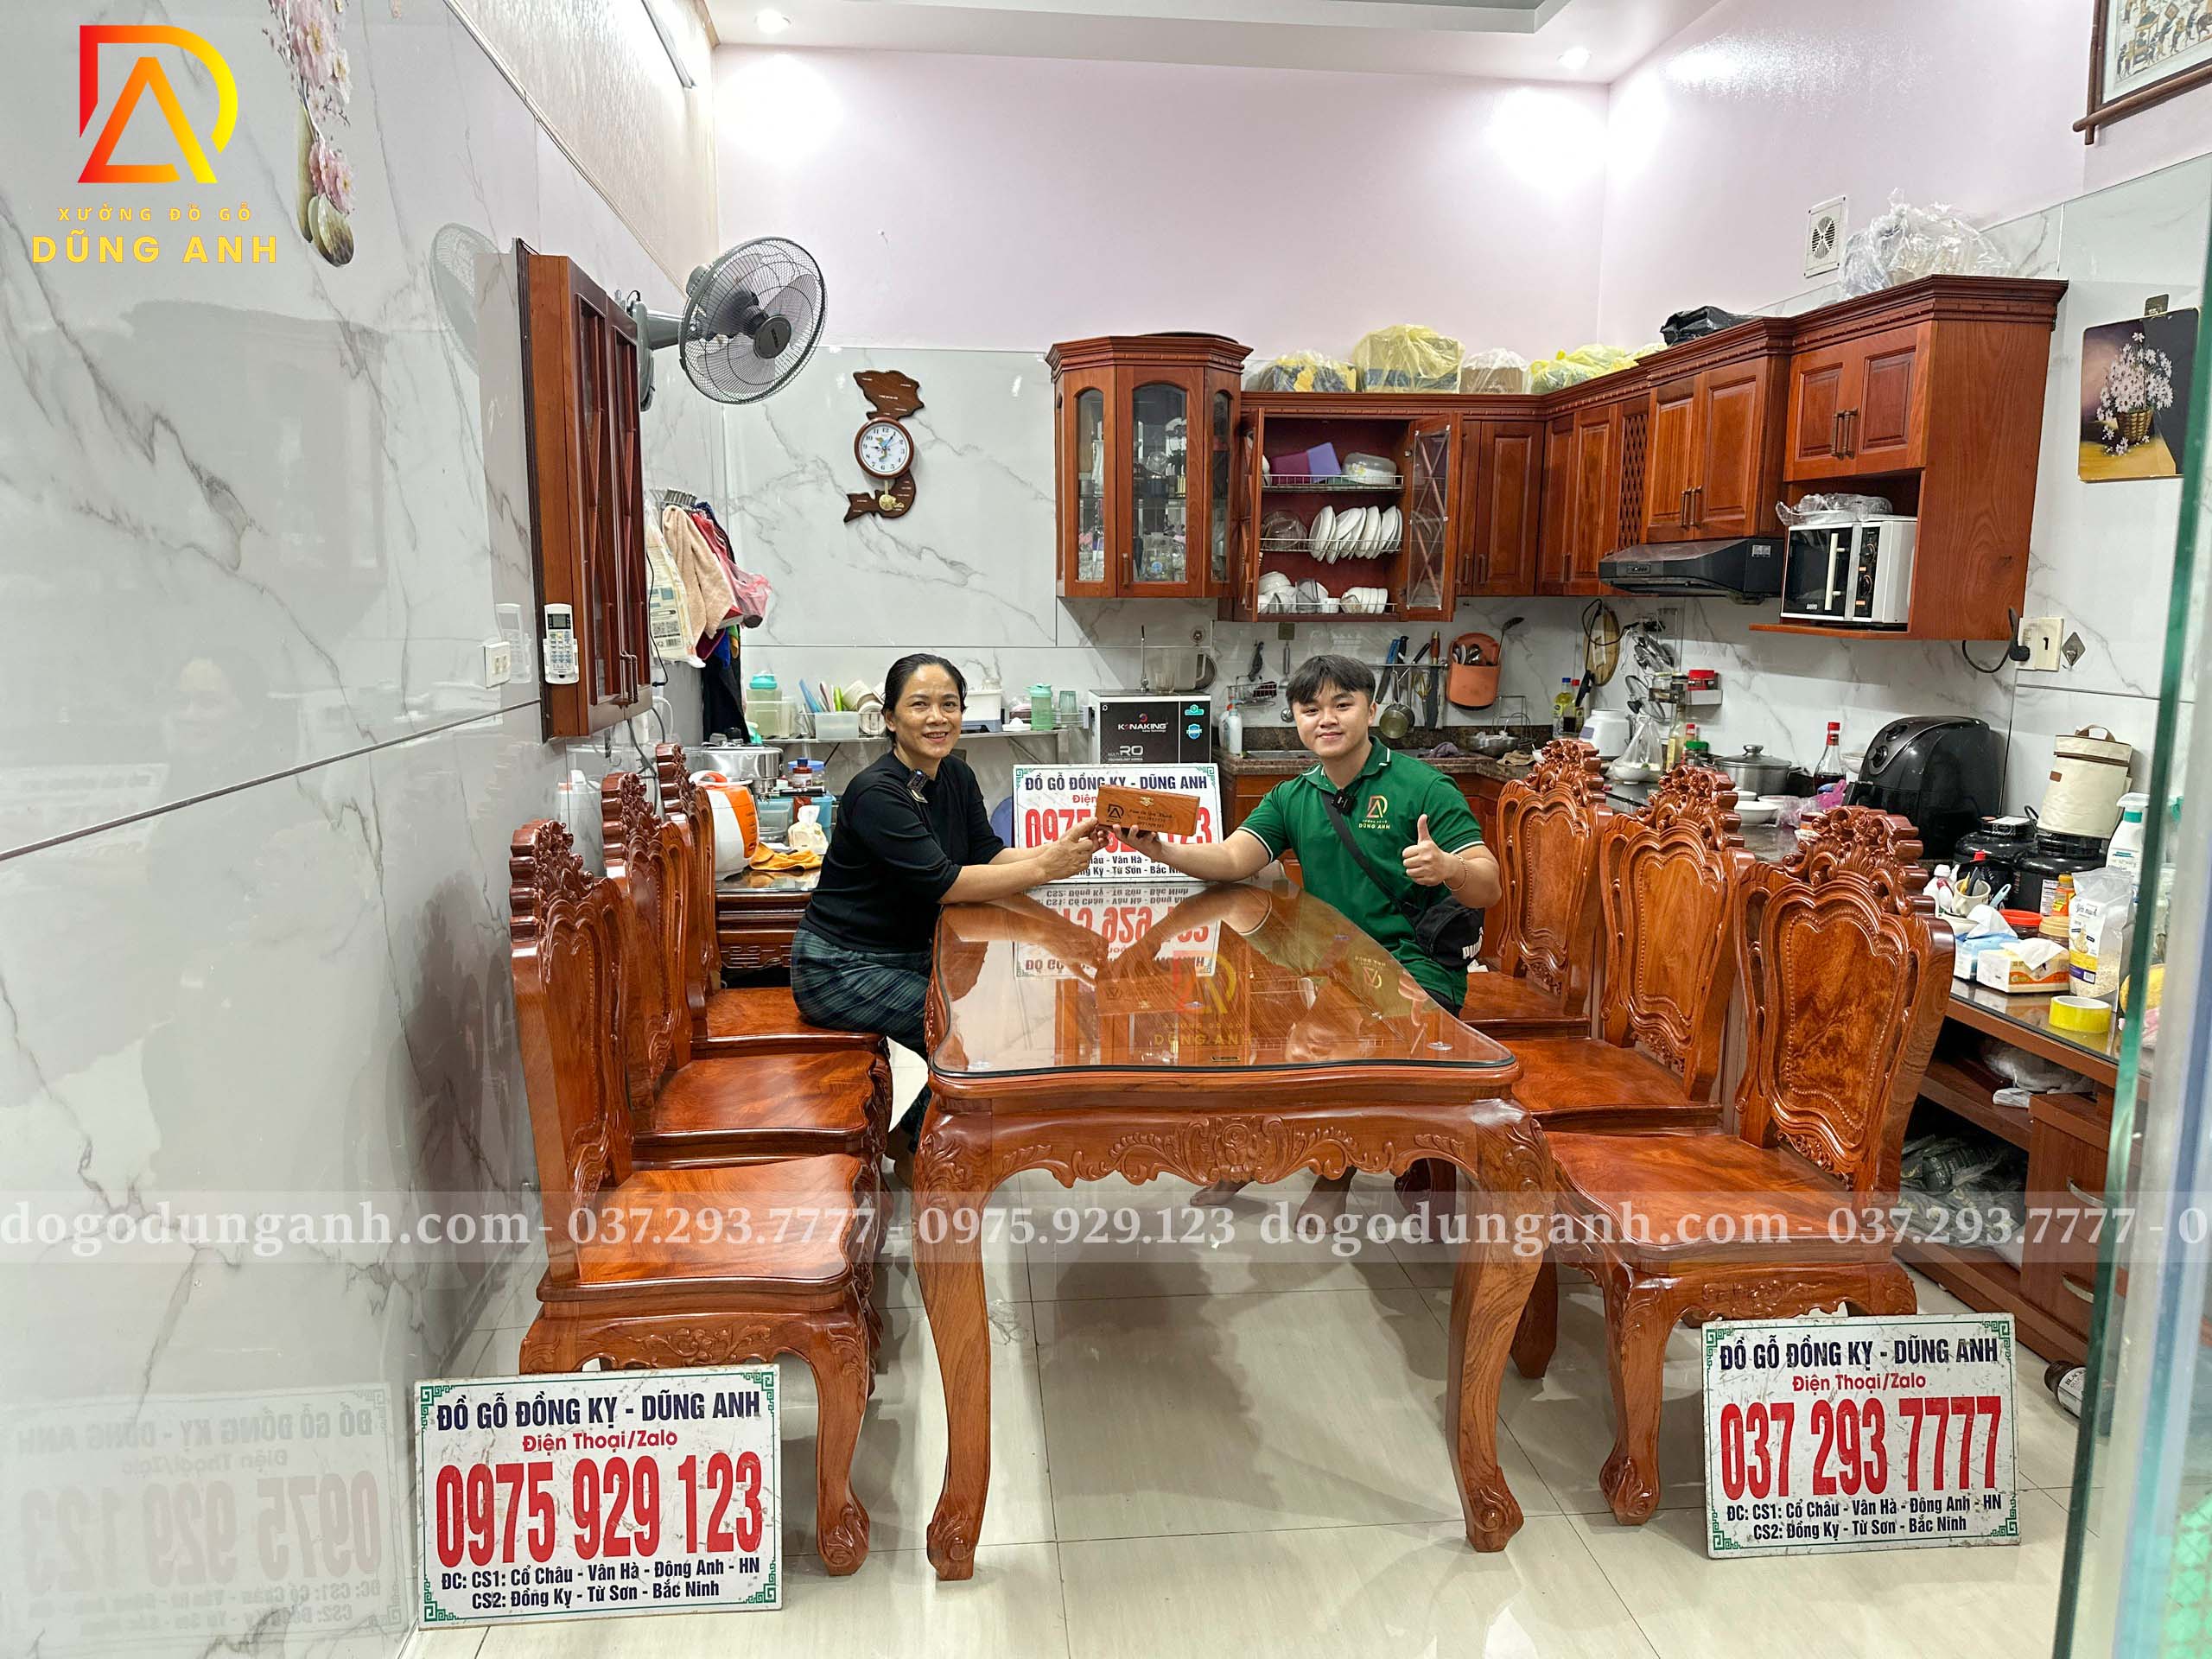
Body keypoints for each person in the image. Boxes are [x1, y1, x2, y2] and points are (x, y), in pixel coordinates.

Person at [1121, 652, 1501, 1217]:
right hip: (1330, 961)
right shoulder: (1292, 797)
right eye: (1310, 709)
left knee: (1326, 1034)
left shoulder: (1425, 788)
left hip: (1413, 964)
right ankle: (1254, 1154)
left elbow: (1488, 886)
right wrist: (1162, 850)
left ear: (1372, 711)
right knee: (1252, 1026)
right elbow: (1233, 858)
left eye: (1342, 705)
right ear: (1296, 719)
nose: (1327, 719)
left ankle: (1332, 1172)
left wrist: (1449, 867)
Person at [791, 653, 1106, 1175]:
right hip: (840, 967)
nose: (937, 718)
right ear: (890, 718)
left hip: (911, 954)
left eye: (949, 704)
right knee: (958, 1033)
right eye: (920, 705)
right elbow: (946, 884)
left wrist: (1056, 851)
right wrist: (1046, 868)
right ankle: (926, 1156)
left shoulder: (956, 774)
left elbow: (987, 855)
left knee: (979, 1019)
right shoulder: (876, 793)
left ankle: (910, 1143)